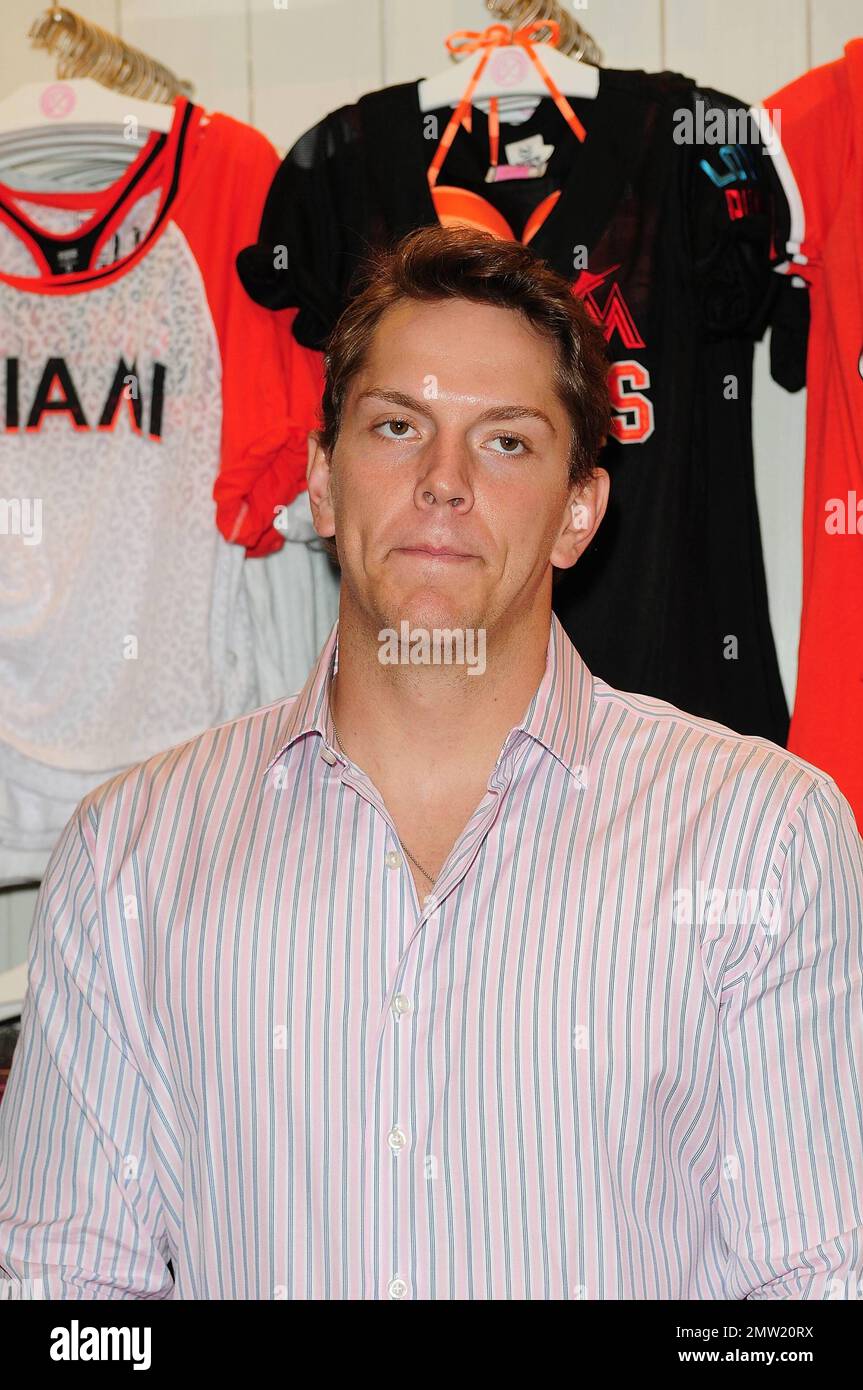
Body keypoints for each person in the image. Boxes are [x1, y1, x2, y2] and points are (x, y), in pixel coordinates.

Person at [1, 226, 861, 1300]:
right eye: (397, 426)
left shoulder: (759, 837)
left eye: (504, 441)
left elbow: (809, 1293)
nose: (442, 481)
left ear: (578, 512)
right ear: (320, 480)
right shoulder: (130, 852)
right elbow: (62, 1293)